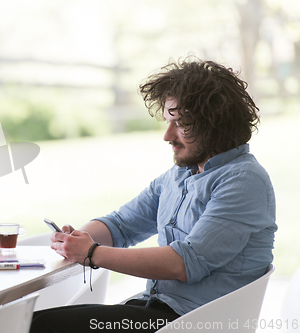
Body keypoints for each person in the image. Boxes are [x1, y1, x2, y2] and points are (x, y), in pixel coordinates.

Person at [29, 57, 277, 333]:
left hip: (193, 322)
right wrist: (73, 240)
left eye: (181, 124)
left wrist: (91, 253)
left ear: (214, 125)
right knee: (35, 322)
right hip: (156, 310)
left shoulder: (243, 180)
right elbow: (121, 224)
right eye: (168, 121)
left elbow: (182, 263)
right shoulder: (180, 174)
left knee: (43, 327)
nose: (167, 135)